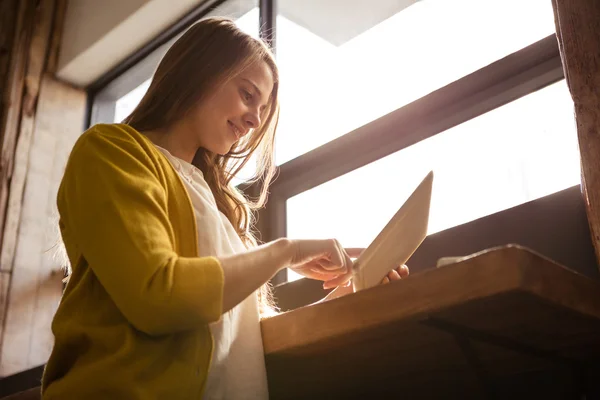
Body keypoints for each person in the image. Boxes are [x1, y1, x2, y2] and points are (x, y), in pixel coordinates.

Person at [41, 17, 409, 400]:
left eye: (262, 109)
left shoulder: (216, 208)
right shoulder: (112, 151)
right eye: (248, 95)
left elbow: (245, 339)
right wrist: (285, 251)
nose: (254, 120)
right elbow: (157, 295)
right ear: (199, 72)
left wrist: (349, 293)